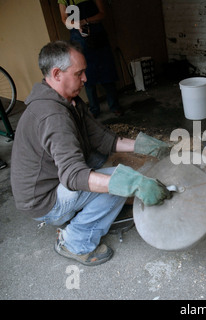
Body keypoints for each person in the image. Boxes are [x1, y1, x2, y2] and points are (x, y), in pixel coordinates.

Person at [10, 41, 172, 266]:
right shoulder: (53, 116)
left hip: (53, 182)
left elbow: (103, 138)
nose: (85, 78)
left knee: (103, 166)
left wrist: (146, 146)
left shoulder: (69, 101)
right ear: (57, 74)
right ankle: (74, 242)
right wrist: (132, 184)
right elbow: (73, 176)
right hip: (43, 200)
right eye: (79, 73)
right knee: (117, 182)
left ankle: (87, 209)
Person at [58, 0, 122, 118]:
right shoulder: (64, 0)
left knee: (106, 72)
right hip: (79, 38)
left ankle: (115, 106)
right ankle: (94, 109)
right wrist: (77, 25)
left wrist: (85, 21)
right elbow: (64, 19)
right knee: (85, 75)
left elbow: (102, 13)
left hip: (97, 35)